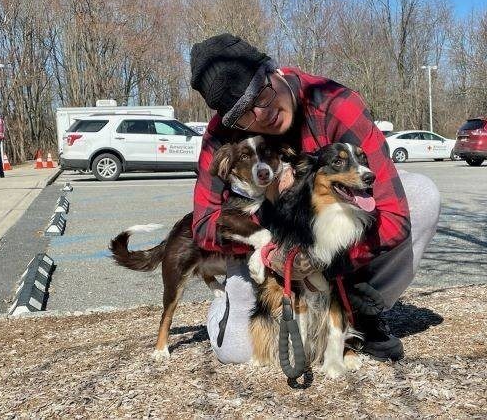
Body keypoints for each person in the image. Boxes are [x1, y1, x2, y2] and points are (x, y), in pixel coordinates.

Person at [189, 33, 441, 364]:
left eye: (261, 95)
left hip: (332, 234)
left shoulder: (335, 103)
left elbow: (394, 218)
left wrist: (328, 259)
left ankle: (360, 307)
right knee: (236, 350)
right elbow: (204, 224)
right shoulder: (221, 134)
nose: (261, 115)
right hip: (261, 242)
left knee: (422, 195)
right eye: (244, 114)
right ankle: (231, 305)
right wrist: (265, 249)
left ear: (274, 71)